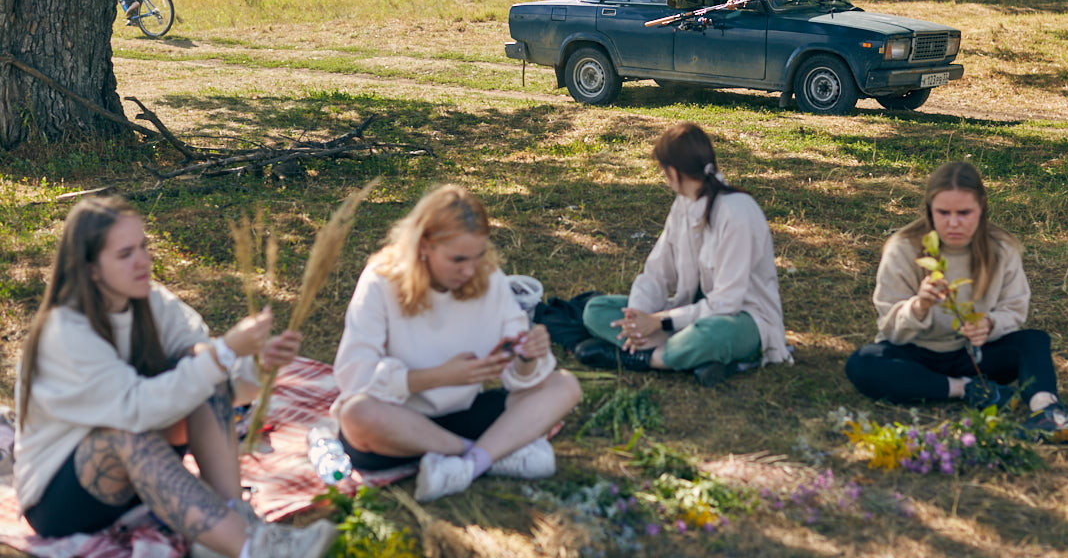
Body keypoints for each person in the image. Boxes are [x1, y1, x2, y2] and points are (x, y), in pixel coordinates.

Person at [14, 196, 336, 558]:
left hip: (141, 474)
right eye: (125, 254)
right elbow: (136, 410)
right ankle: (253, 548)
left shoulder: (155, 304)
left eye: (143, 247)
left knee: (201, 363)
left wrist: (257, 365)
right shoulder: (66, 332)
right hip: (60, 498)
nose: (143, 261)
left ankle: (234, 514)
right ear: (91, 269)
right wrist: (224, 353)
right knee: (133, 427)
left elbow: (217, 381)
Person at [331, 185, 581, 503]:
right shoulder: (380, 281)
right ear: (423, 245)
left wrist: (528, 356)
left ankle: (468, 464)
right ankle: (486, 455)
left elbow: (524, 378)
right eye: (457, 259)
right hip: (397, 423)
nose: (468, 270)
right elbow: (354, 377)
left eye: (477, 257)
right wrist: (440, 377)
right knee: (356, 414)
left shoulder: (487, 278)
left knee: (565, 385)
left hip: (464, 413)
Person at [843, 162, 1068, 446]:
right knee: (863, 364)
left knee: (1033, 342)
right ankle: (967, 389)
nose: (954, 223)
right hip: (914, 354)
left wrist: (989, 325)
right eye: (943, 213)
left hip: (974, 354)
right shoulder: (903, 248)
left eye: (964, 213)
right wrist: (918, 306)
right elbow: (889, 328)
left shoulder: (1001, 247)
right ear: (929, 210)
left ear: (982, 208)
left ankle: (1046, 410)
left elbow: (1015, 309)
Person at [574, 123, 793, 386]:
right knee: (595, 310)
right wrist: (637, 318)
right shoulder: (683, 206)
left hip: (742, 320)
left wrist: (659, 321)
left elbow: (727, 303)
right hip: (686, 317)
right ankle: (683, 356)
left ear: (674, 173)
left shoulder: (737, 213)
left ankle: (642, 359)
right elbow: (657, 272)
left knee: (712, 335)